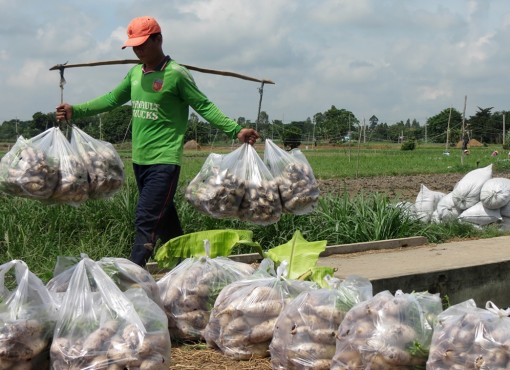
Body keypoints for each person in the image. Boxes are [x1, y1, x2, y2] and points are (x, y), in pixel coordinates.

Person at [56, 16, 260, 267]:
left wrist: (236, 130)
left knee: (146, 219)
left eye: (143, 44)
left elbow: (204, 106)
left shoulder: (176, 75)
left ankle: (131, 274)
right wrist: (75, 110)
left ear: (159, 39)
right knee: (165, 221)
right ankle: (190, 267)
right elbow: (110, 99)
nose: (138, 50)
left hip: (164, 162)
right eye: (134, 45)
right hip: (140, 161)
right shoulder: (134, 74)